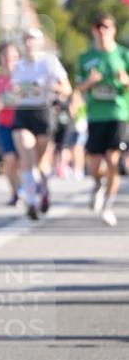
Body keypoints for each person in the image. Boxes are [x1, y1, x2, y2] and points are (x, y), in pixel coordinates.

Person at [10, 27, 71, 220]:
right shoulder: (18, 66)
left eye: (33, 39)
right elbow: (14, 92)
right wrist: (16, 92)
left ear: (40, 42)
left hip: (43, 113)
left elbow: (67, 89)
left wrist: (49, 86)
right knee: (26, 156)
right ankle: (31, 200)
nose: (29, 43)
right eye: (26, 39)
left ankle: (44, 191)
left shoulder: (50, 62)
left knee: (42, 162)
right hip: (23, 113)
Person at [77, 14, 129, 227]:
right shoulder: (86, 57)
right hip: (95, 115)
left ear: (113, 29)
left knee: (113, 160)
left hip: (118, 113)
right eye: (98, 27)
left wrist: (125, 80)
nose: (102, 31)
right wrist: (89, 82)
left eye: (106, 27)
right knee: (95, 165)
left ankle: (108, 205)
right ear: (93, 30)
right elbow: (78, 88)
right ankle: (98, 184)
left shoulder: (124, 54)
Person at [0, 41, 22, 205]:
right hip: (3, 124)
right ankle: (16, 193)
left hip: (23, 124)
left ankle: (24, 188)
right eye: (6, 56)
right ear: (0, 58)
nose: (9, 60)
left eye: (13, 56)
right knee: (9, 159)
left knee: (22, 160)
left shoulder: (23, 78)